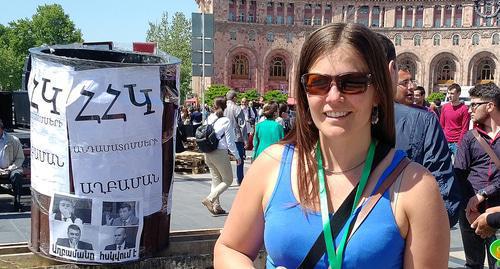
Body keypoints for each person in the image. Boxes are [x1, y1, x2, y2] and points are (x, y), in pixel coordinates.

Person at [214, 23, 449, 268]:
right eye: (318, 83)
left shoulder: (417, 188)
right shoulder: (271, 165)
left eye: (353, 82)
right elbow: (229, 248)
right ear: (305, 92)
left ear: (378, 92)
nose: (334, 97)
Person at [378, 33, 461, 227]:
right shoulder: (424, 121)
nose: (412, 87)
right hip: (408, 232)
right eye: (405, 82)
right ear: (391, 70)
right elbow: (443, 191)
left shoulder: (330, 120)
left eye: (412, 82)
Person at [454, 82, 500, 269]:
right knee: (473, 264)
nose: (469, 109)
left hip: (497, 211)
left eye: (474, 105)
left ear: (489, 106)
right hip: (470, 211)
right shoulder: (469, 137)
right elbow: (459, 174)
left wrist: (484, 193)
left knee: (497, 263)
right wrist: (468, 208)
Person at [202, 97, 242, 215]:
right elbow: (230, 142)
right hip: (219, 153)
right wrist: (237, 156)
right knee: (228, 179)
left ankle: (217, 206)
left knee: (216, 179)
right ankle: (210, 199)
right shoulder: (225, 120)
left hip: (207, 152)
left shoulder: (209, 118)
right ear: (225, 107)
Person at [0, 119, 25, 211]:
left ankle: (17, 201)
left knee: (16, 175)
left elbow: (20, 158)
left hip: (12, 168)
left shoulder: (13, 140)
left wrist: (10, 168)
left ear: (2, 129)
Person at [440, 83, 471, 155]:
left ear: (458, 94)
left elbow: (465, 128)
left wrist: (459, 143)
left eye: (452, 93)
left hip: (457, 143)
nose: (449, 96)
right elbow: (441, 125)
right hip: (445, 141)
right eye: (448, 93)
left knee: (458, 165)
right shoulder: (444, 107)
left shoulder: (464, 109)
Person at [224, 90, 247, 185]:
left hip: (224, 137)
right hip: (236, 137)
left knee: (224, 159)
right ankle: (240, 179)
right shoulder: (237, 108)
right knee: (239, 159)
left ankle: (224, 180)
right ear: (234, 98)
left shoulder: (223, 108)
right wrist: (245, 139)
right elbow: (242, 125)